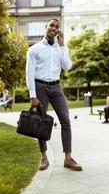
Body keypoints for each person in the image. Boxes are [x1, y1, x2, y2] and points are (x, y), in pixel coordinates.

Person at [26, 19, 82, 171]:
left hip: (56, 88)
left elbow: (68, 66)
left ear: (58, 31)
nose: (54, 28)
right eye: (52, 25)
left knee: (66, 121)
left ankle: (68, 158)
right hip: (40, 88)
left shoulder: (59, 48)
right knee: (40, 123)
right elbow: (29, 73)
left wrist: (63, 46)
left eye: (57, 27)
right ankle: (44, 157)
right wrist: (33, 96)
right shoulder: (34, 49)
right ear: (46, 27)